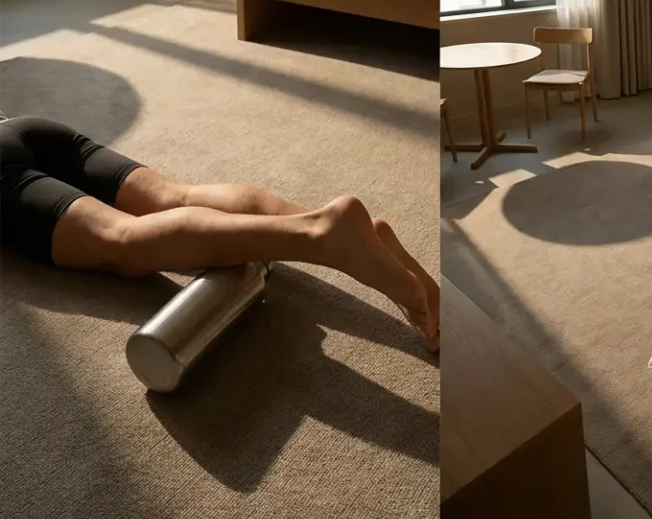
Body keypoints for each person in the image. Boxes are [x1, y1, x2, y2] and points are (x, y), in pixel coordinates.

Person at [0, 115, 439, 351]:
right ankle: (337, 227)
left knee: (122, 242)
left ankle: (320, 234)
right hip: (29, 125)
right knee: (178, 195)